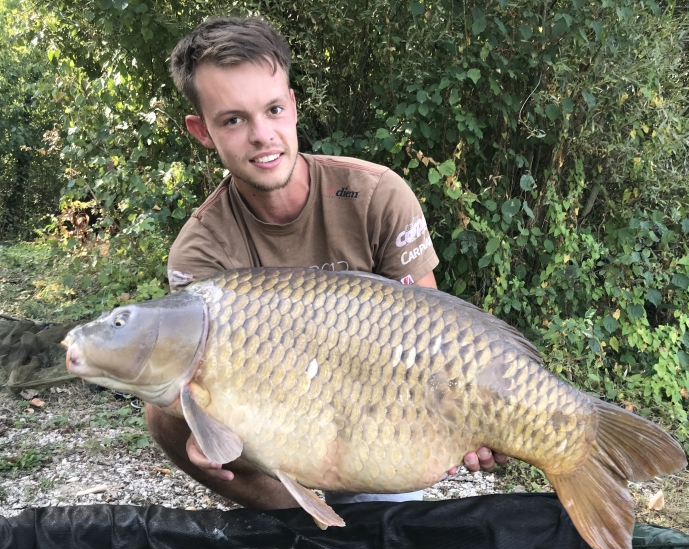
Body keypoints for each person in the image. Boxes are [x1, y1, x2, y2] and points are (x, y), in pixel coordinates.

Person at [145, 15, 507, 511]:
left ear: (293, 106)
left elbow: (435, 341)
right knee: (163, 411)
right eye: (233, 119)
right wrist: (207, 437)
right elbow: (211, 391)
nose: (261, 135)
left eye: (273, 109)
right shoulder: (202, 250)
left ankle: (371, 518)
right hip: (280, 428)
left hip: (382, 420)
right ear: (202, 131)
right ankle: (296, 521)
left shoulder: (377, 195)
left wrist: (479, 420)